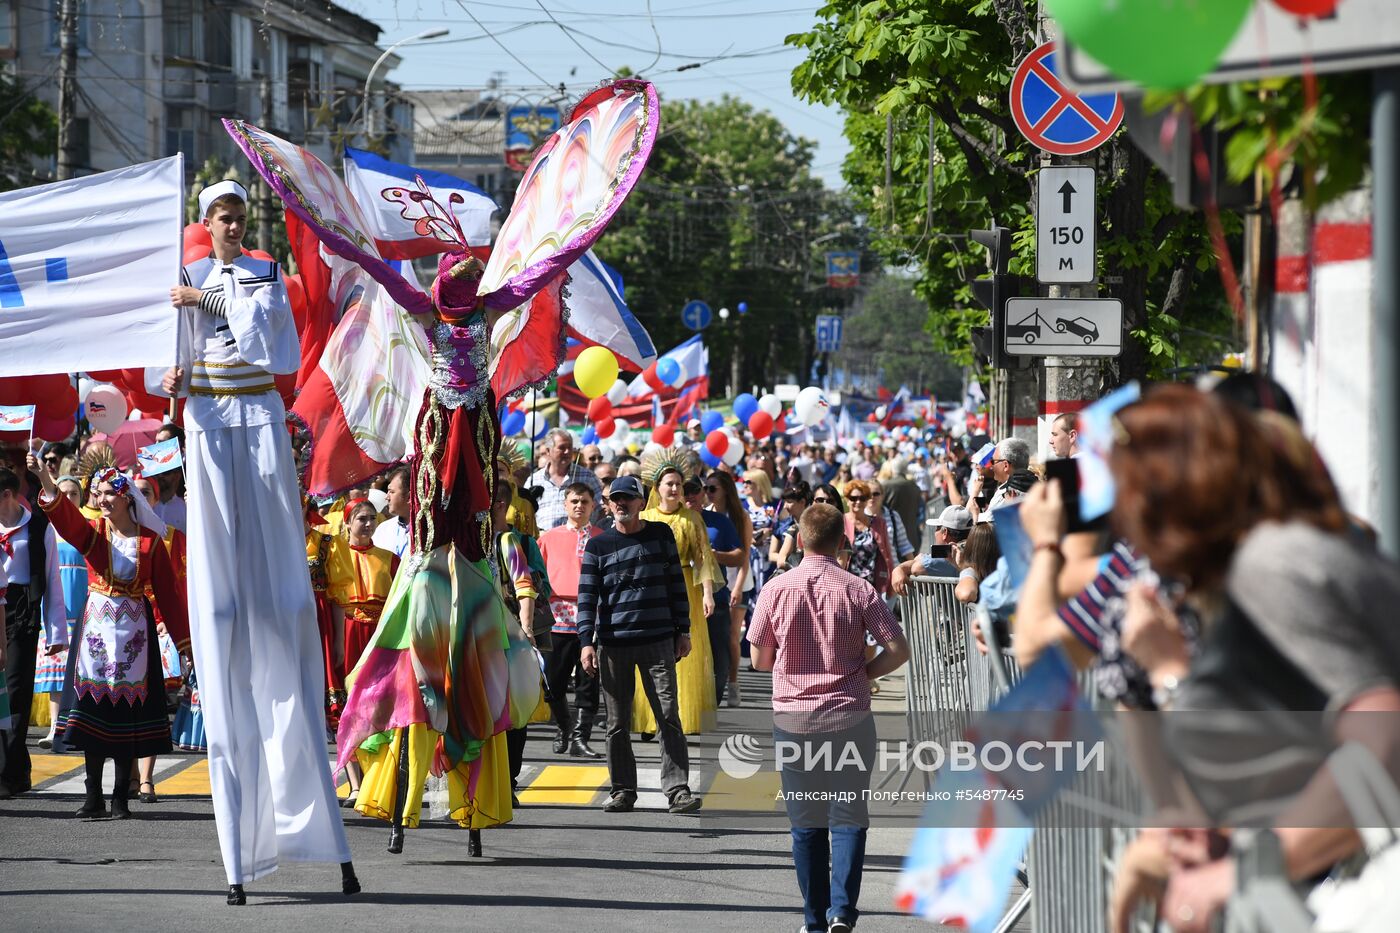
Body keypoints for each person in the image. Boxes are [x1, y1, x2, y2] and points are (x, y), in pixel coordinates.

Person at [159, 180, 356, 902]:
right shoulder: (183, 276)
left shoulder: (266, 272)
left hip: (260, 427)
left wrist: (206, 301)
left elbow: (265, 340)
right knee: (219, 609)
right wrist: (171, 375)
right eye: (221, 214)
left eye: (240, 214)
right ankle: (239, 855)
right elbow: (163, 365)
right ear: (205, 223)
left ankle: (322, 834)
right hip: (208, 427)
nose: (232, 223)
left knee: (283, 601)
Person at [334, 250, 536, 863]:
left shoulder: (489, 309)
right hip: (438, 457)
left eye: (475, 282)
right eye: (461, 281)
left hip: (474, 442)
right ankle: (403, 804)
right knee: (418, 689)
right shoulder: (425, 314)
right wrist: (336, 231)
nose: (468, 290)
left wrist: (595, 216)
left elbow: (542, 269)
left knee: (470, 680)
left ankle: (473, 810)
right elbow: (386, 275)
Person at [748, 502, 910, 933]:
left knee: (806, 827)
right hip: (849, 717)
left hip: (795, 721)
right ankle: (843, 911)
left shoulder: (776, 589)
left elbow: (760, 659)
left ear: (800, 540)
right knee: (849, 819)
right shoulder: (858, 589)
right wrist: (862, 672)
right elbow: (899, 649)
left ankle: (814, 919)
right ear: (843, 541)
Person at [29, 458, 189, 821]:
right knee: (92, 712)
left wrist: (183, 643)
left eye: (108, 495)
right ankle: (92, 797)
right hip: (97, 632)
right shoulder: (94, 533)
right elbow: (66, 520)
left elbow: (168, 593)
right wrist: (44, 478)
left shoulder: (150, 542)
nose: (101, 500)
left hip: (135, 633)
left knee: (126, 719)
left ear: (127, 499)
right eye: (98, 494)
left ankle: (120, 797)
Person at [576, 475, 702, 815]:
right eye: (615, 499)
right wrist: (586, 642)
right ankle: (622, 791)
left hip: (659, 641)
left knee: (668, 717)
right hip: (614, 644)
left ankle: (677, 790)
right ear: (609, 504)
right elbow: (586, 598)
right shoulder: (598, 546)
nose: (621, 504)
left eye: (628, 499)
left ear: (640, 502)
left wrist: (683, 631)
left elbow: (677, 584)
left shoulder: (661, 536)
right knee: (617, 723)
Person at [635, 448, 720, 735]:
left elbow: (704, 557)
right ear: (657, 488)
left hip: (684, 588)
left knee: (682, 653)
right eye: (669, 484)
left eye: (678, 484)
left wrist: (707, 592)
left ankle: (677, 716)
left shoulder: (691, 518)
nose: (674, 489)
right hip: (651, 590)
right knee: (650, 652)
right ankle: (649, 717)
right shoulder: (645, 517)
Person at [0, 463, 64, 799]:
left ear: (8, 495)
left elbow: (52, 579)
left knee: (15, 692)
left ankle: (11, 773)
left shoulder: (39, 527)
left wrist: (56, 633)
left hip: (22, 611)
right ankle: (15, 767)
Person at [538, 482, 604, 758]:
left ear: (593, 506)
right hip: (557, 615)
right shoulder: (549, 538)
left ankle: (580, 737)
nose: (579, 506)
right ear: (565, 504)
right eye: (574, 501)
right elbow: (537, 577)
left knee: (588, 680)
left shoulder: (602, 538)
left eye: (585, 502)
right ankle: (565, 726)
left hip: (592, 616)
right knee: (550, 681)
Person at [34, 475, 87, 751]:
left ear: (81, 497)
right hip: (55, 609)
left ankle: (77, 726)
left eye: (73, 493)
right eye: (63, 492)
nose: (68, 497)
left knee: (79, 672)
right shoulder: (48, 530)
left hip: (81, 611)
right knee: (55, 672)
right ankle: (55, 727)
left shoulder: (88, 529)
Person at [689, 475, 745, 708]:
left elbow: (739, 556)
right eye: (685, 490)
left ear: (703, 493)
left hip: (716, 599)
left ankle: (711, 705)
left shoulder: (719, 522)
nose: (690, 495)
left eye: (696, 490)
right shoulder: (668, 522)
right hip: (682, 600)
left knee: (719, 661)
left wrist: (714, 555)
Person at [528, 429, 603, 530]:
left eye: (570, 447)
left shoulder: (588, 477)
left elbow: (601, 510)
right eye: (562, 448)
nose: (567, 452)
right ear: (548, 451)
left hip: (580, 540)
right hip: (544, 541)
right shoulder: (534, 479)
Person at [889, 504, 972, 595]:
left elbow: (918, 567)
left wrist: (903, 567)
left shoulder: (951, 552)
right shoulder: (974, 548)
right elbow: (920, 562)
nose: (935, 532)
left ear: (945, 533)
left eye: (937, 528)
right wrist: (898, 569)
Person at [840, 480, 894, 598]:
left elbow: (887, 555)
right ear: (847, 500)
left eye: (863, 498)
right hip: (847, 586)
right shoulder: (840, 522)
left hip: (872, 587)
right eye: (853, 498)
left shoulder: (879, 523)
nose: (858, 502)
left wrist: (890, 586)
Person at [969, 437, 1036, 517]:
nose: (991, 466)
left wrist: (975, 513)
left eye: (993, 461)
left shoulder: (1007, 493)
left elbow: (985, 525)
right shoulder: (1036, 488)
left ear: (1005, 465)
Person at [878, 457, 924, 555]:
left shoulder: (886, 486)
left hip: (892, 537)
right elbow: (919, 512)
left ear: (893, 469)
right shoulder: (915, 487)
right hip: (912, 536)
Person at [770, 482, 812, 571]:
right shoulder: (781, 525)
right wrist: (791, 562)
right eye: (784, 502)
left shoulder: (815, 524)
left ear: (802, 502)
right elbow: (772, 554)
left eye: (789, 502)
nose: (785, 506)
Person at [370, 466, 410, 558]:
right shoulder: (383, 529)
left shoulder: (429, 531)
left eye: (391, 492)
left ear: (409, 497)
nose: (386, 497)